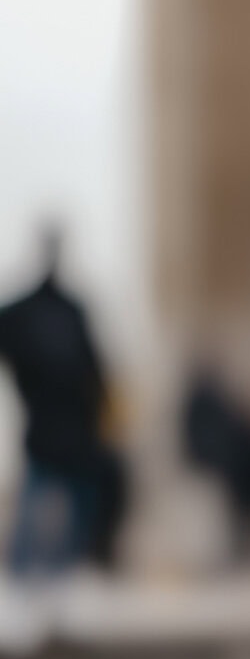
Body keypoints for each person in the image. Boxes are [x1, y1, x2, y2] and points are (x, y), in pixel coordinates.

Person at [0, 234, 128, 574]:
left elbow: (97, 371)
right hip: (51, 435)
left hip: (70, 437)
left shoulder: (69, 312)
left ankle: (63, 574)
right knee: (40, 524)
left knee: (74, 519)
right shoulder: (37, 312)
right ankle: (33, 577)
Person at [181, 369, 250, 556]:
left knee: (222, 514)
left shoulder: (232, 422)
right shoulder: (213, 408)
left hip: (223, 469)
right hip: (217, 467)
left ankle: (228, 548)